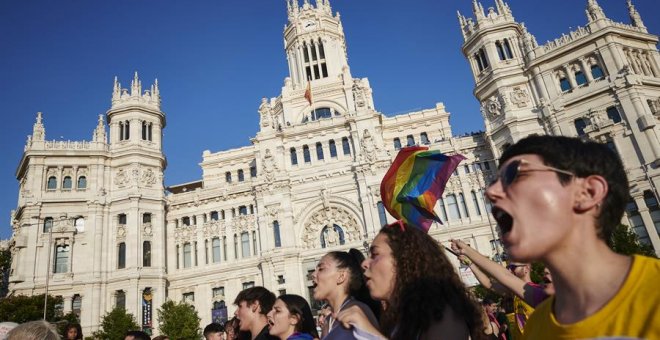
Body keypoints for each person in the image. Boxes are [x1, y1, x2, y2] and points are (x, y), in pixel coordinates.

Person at [485, 135, 660, 339]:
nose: (491, 192)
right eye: (495, 181)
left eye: (514, 175)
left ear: (587, 192)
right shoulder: (536, 327)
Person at [336, 223, 483, 340]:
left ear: (404, 260)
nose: (365, 263)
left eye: (375, 254)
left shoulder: (441, 313)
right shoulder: (399, 320)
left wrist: (371, 335)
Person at [450, 240, 549, 338]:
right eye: (509, 267)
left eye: (513, 267)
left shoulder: (538, 292)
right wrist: (470, 263)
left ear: (526, 268)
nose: (509, 270)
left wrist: (466, 249)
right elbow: (489, 284)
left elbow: (504, 275)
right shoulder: (513, 293)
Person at [311, 249, 379, 339]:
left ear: (341, 276)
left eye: (321, 269)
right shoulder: (328, 320)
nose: (313, 274)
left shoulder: (358, 312)